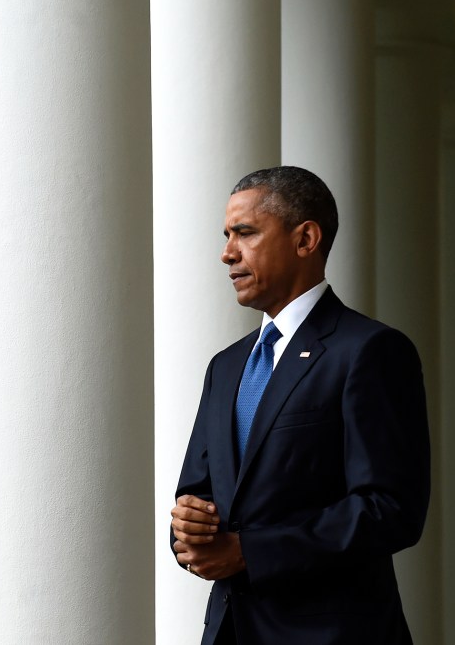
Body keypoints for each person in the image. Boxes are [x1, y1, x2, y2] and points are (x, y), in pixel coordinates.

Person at [170, 166, 430, 645]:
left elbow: (392, 509)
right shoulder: (225, 367)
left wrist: (250, 551)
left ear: (306, 238)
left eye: (244, 233)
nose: (227, 253)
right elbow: (200, 493)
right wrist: (188, 525)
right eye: (227, 236)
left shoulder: (370, 350)